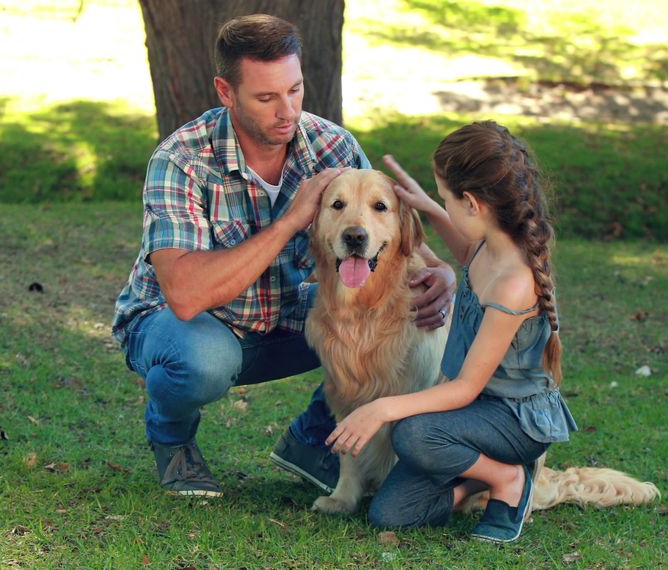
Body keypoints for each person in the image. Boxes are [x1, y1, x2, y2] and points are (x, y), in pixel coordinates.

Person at [111, 14, 455, 498]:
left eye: (294, 91)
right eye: (267, 97)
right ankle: (173, 441)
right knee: (202, 360)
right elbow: (185, 296)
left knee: (373, 321)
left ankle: (313, 438)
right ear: (226, 92)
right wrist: (290, 222)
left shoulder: (333, 147)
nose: (287, 111)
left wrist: (445, 279)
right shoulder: (182, 158)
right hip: (191, 326)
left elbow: (397, 244)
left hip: (290, 317)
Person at [325, 121, 578, 543]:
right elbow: (464, 250)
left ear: (473, 205)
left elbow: (463, 389)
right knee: (390, 513)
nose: (441, 205)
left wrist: (383, 408)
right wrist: (425, 204)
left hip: (512, 419)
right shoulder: (487, 248)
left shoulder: (513, 283)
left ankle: (506, 478)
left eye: (445, 198)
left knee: (412, 431)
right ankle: (474, 481)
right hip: (475, 418)